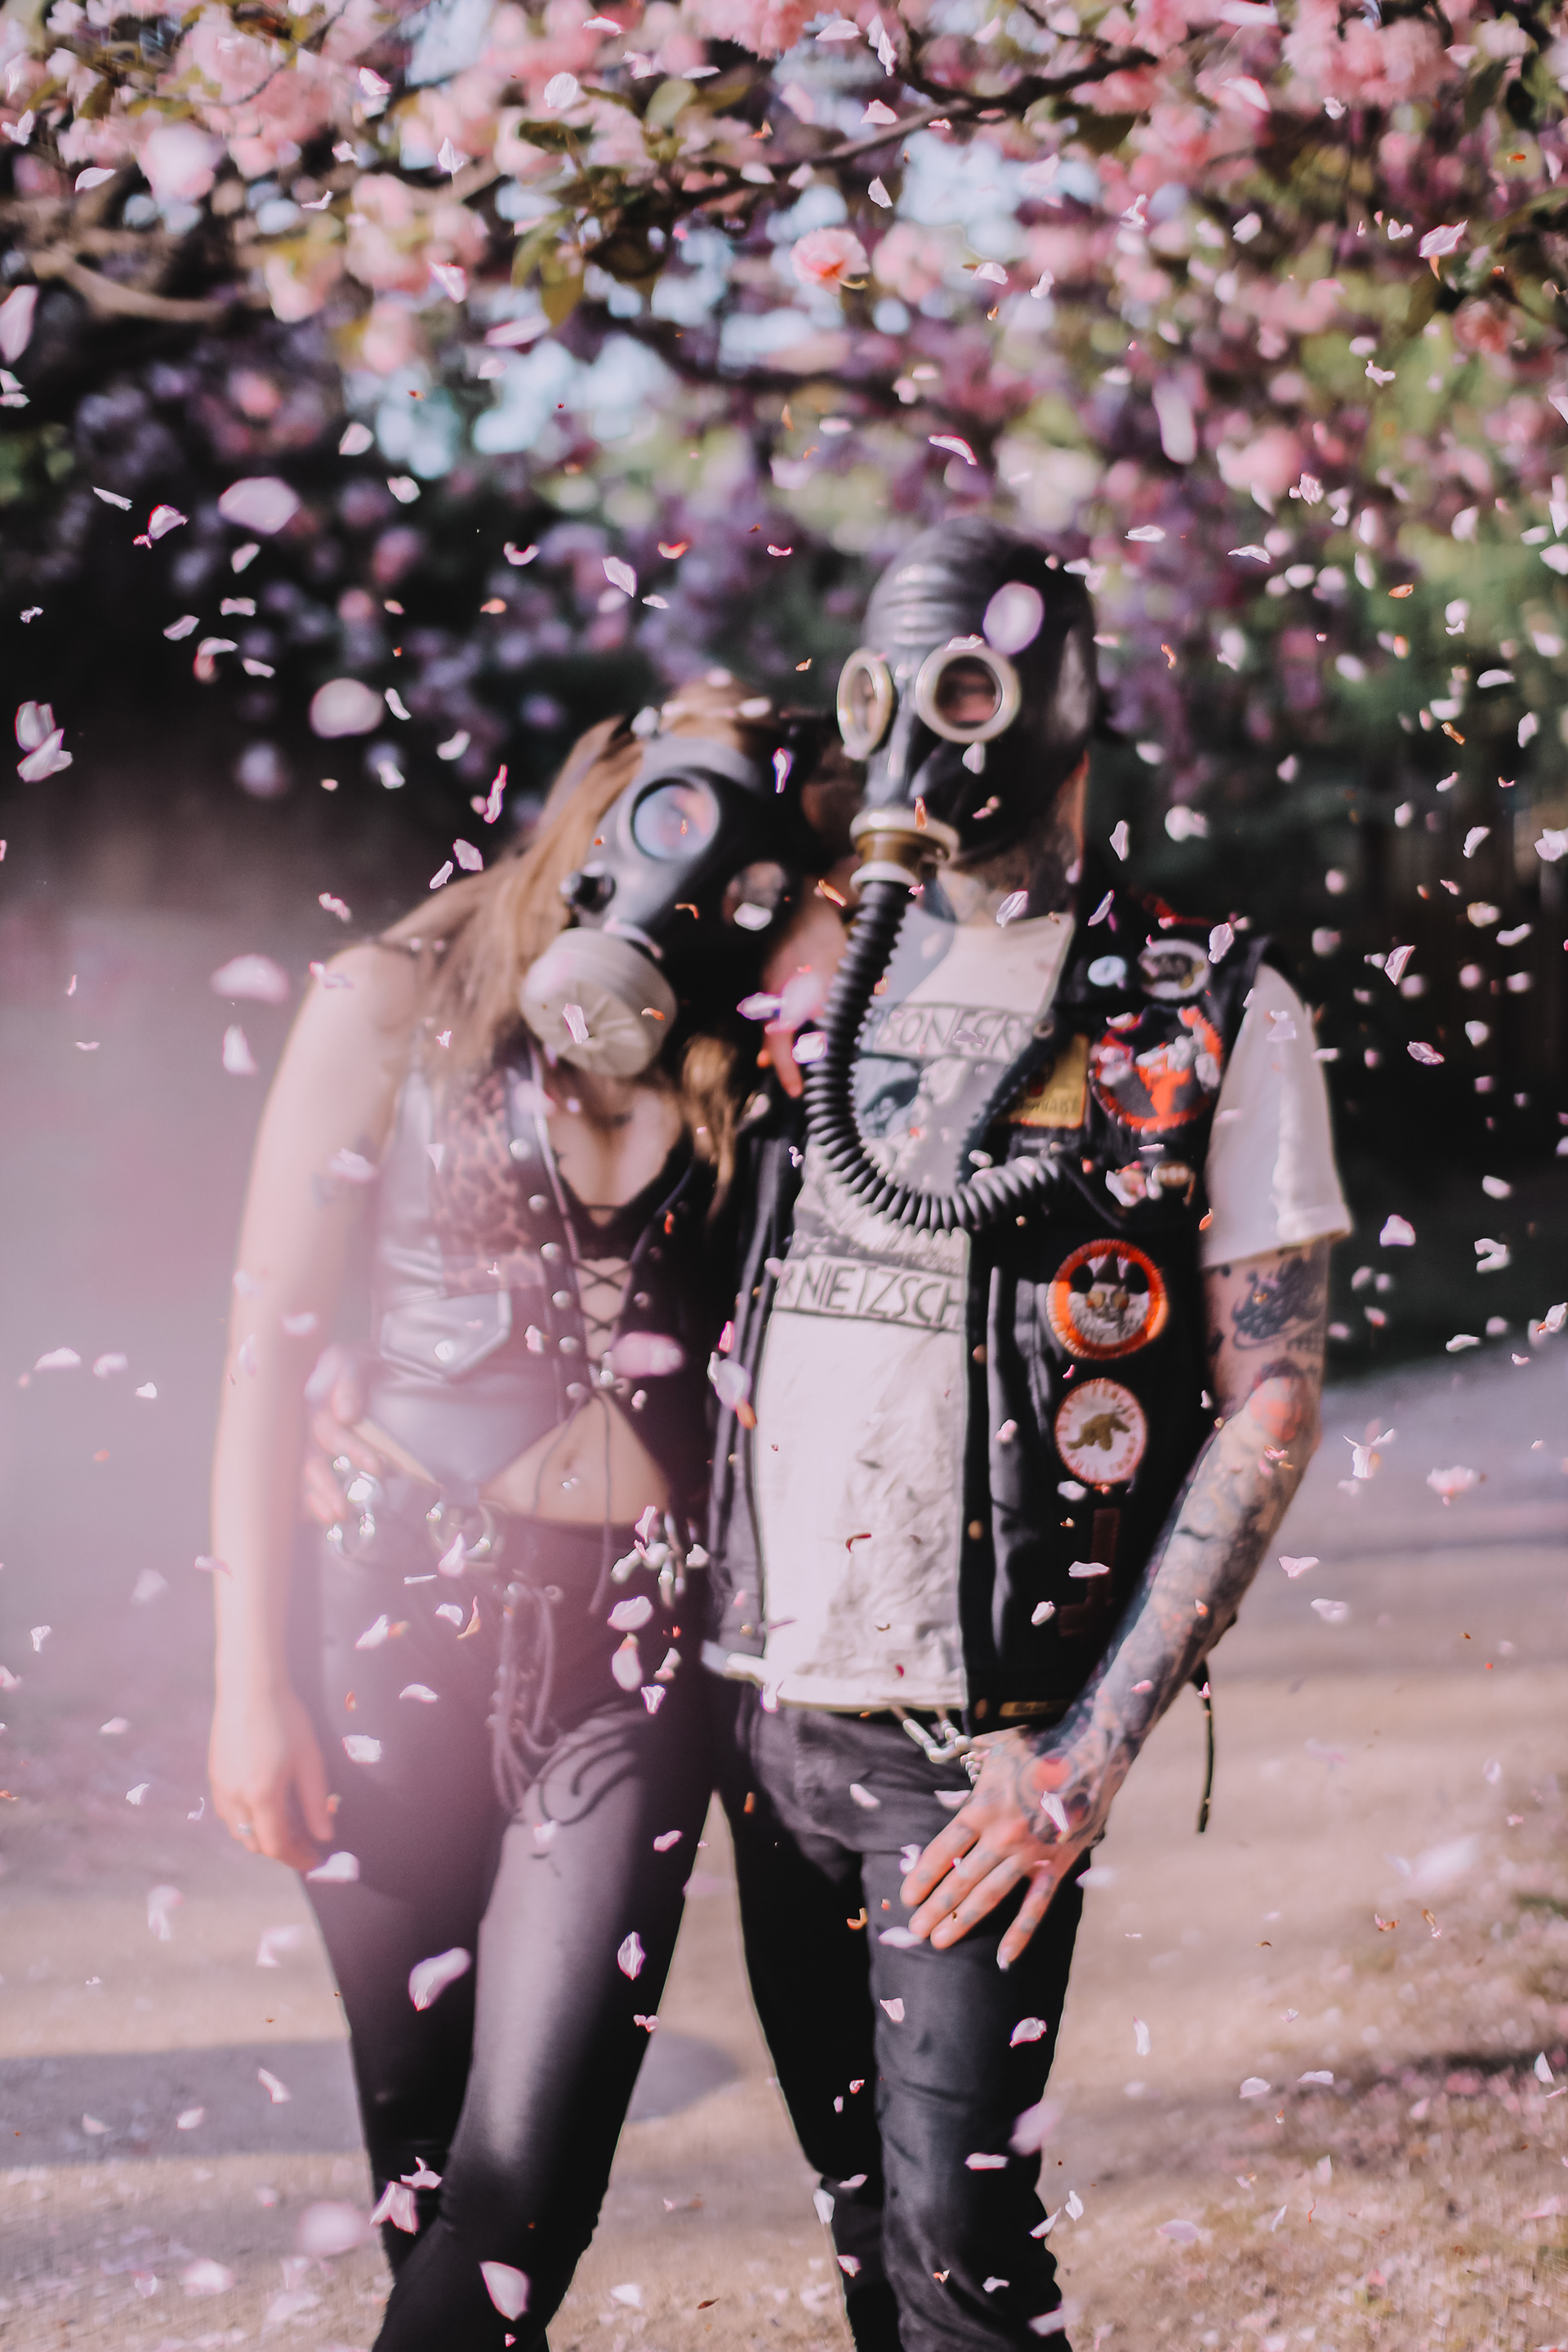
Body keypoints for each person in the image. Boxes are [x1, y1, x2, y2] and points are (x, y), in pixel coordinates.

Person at [702, 519, 1351, 2350]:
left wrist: (1083, 1751)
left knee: (963, 2255)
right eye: (891, 690)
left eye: (966, 685)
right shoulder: (817, 986)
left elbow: (1271, 1391)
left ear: (1057, 703)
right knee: (863, 2220)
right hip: (774, 1707)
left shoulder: (1212, 1004)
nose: (925, 732)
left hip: (977, 1746)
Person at [207, 677, 838, 2347]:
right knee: (427, 2178)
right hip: (388, 1618)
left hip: (629, 1660)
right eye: (680, 800)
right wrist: (250, 1682)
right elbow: (265, 1357)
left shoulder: (754, 1055)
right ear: (602, 794)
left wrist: (816, 949)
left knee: (519, 2187)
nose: (705, 862)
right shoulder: (387, 1000)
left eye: (755, 849)